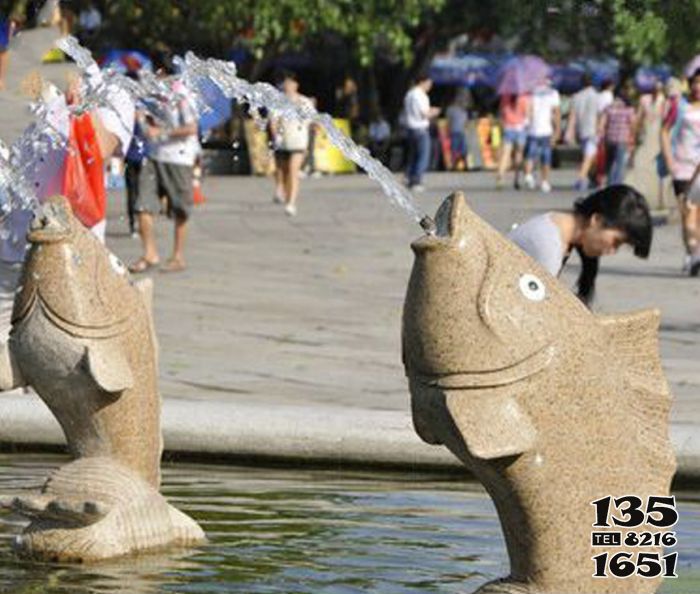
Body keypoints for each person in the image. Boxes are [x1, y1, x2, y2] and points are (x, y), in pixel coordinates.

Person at [508, 185, 652, 306]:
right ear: (596, 219)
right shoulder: (548, 246)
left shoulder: (558, 228)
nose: (613, 251)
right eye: (616, 242)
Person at [129, 54, 198, 273]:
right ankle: (150, 253)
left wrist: (162, 131)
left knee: (180, 209)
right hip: (154, 155)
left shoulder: (182, 95)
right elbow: (148, 120)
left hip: (179, 157)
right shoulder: (155, 95)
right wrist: (142, 118)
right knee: (142, 205)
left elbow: (192, 128)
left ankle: (178, 256)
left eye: (157, 72)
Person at [661, 67, 700, 276]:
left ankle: (695, 251)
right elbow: (665, 130)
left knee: (697, 214)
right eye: (695, 82)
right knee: (687, 212)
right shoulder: (680, 107)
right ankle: (692, 252)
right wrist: (669, 160)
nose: (697, 86)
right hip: (683, 167)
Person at [270, 70, 314, 217]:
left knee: (293, 171)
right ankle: (285, 194)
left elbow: (311, 121)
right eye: (286, 83)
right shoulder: (278, 101)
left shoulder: (305, 102)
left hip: (298, 141)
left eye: (291, 83)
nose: (288, 85)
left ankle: (291, 203)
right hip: (283, 142)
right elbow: (273, 121)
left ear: (296, 85)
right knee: (284, 172)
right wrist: (275, 136)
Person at [523, 78, 561, 193]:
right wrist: (557, 130)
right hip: (547, 131)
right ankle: (544, 182)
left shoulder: (532, 92)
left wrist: (527, 123)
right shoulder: (553, 94)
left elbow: (528, 111)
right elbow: (556, 113)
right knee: (546, 157)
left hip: (533, 130)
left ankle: (528, 175)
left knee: (530, 155)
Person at [403, 74, 439, 191]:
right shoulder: (420, 95)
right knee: (423, 156)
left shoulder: (409, 94)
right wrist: (435, 111)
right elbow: (425, 114)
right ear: (422, 82)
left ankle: (409, 178)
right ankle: (416, 181)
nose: (430, 86)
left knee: (413, 155)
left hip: (410, 128)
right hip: (420, 129)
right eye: (429, 83)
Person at [567, 73, 600, 191]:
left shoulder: (576, 96)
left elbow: (572, 116)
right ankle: (581, 179)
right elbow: (599, 114)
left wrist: (570, 131)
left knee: (590, 157)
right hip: (593, 130)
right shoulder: (596, 96)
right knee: (589, 156)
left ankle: (592, 178)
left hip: (581, 131)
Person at [599, 82, 636, 186]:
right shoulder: (629, 109)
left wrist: (602, 138)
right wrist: (632, 138)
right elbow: (633, 125)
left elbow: (602, 124)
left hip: (609, 139)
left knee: (610, 164)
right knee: (619, 164)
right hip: (622, 140)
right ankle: (616, 185)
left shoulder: (609, 107)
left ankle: (609, 184)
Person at [496, 93, 529, 189]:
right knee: (519, 154)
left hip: (508, 127)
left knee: (506, 154)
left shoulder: (505, 96)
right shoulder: (524, 97)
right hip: (520, 128)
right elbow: (527, 114)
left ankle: (500, 177)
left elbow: (502, 112)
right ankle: (516, 178)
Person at [446, 90, 469, 170]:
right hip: (455, 132)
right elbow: (449, 121)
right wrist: (448, 130)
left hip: (460, 132)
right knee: (455, 149)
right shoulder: (451, 109)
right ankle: (454, 165)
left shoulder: (463, 109)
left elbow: (465, 122)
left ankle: (464, 165)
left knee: (462, 149)